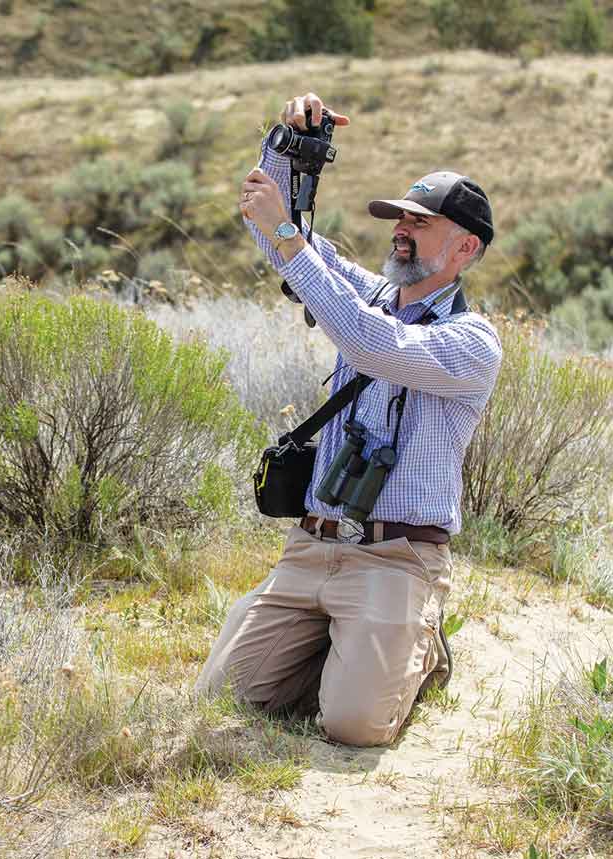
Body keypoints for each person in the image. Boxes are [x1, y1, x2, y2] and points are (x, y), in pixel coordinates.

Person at [194, 92, 502, 747]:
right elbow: (270, 225)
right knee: (221, 698)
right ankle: (344, 648)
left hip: (397, 557)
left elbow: (369, 342)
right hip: (312, 543)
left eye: (420, 221)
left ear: (465, 247)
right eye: (398, 216)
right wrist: (289, 147)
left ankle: (414, 648)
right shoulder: (366, 293)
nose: (401, 227)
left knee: (353, 724)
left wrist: (290, 238)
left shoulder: (474, 343)